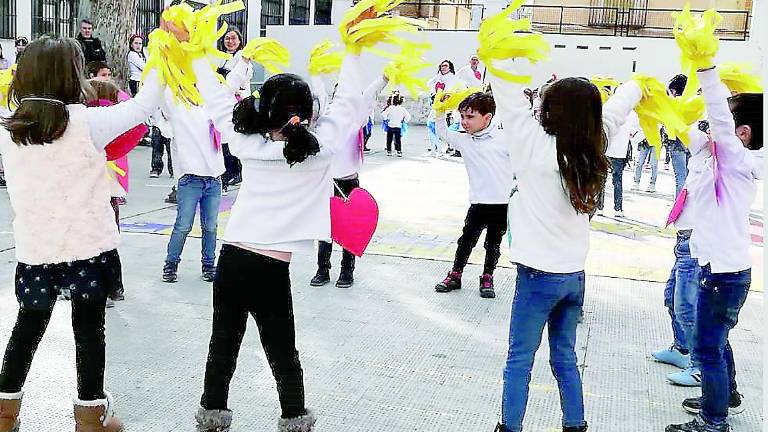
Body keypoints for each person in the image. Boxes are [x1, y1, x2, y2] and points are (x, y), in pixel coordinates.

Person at [185, 27, 370, 429]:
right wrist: (354, 50)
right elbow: (349, 102)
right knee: (283, 352)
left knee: (222, 346)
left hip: (232, 260)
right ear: (304, 115)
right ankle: (294, 419)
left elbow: (217, 101)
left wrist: (198, 52)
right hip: (270, 268)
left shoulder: (246, 143)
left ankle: (211, 416)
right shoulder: (319, 152)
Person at [0, 36, 163, 432]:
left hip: (36, 249)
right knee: (89, 332)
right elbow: (145, 104)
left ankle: (4, 413)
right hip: (87, 248)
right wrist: (166, 54)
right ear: (72, 75)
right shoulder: (88, 121)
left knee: (27, 329)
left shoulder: (9, 127)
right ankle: (90, 416)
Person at [488, 60, 643, 431]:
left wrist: (495, 50)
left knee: (519, 361)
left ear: (551, 110)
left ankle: (510, 428)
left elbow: (507, 95)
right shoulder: (594, 144)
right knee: (565, 359)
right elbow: (620, 108)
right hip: (573, 276)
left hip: (537, 278)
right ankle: (575, 425)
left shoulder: (532, 146)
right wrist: (639, 84)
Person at [665, 70, 763, 432]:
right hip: (720, 268)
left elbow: (718, 118)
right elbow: (688, 130)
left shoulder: (736, 162)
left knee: (707, 348)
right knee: (717, 342)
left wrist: (705, 68)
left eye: (721, 123)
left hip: (724, 274)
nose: (710, 127)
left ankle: (713, 420)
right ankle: (724, 396)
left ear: (742, 134)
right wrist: (661, 104)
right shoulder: (719, 160)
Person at [432, 92, 513, 299]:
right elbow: (442, 132)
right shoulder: (464, 140)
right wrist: (440, 110)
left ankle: (488, 276)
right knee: (466, 240)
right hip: (477, 203)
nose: (464, 122)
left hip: (501, 204)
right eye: (462, 117)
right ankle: (455, 274)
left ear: (487, 118)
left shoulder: (505, 140)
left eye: (470, 117)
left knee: (492, 244)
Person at [310, 74, 388, 288]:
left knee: (350, 229)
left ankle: (347, 271)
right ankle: (322, 270)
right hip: (327, 182)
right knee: (325, 230)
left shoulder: (357, 118)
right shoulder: (326, 119)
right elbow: (318, 92)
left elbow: (370, 93)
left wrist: (384, 78)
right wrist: (315, 69)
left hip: (349, 183)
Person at [216, 28, 252, 190]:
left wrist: (235, 88)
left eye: (233, 38)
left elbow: (244, 78)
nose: (230, 41)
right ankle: (227, 174)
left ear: (240, 40)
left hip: (237, 101)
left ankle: (234, 172)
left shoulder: (242, 56)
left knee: (232, 137)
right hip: (223, 99)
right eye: (227, 38)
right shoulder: (220, 56)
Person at [597, 109, 633, 218]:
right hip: (619, 153)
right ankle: (618, 209)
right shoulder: (630, 113)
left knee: (601, 180)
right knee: (617, 181)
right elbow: (635, 131)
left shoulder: (609, 109)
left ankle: (600, 207)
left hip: (606, 150)